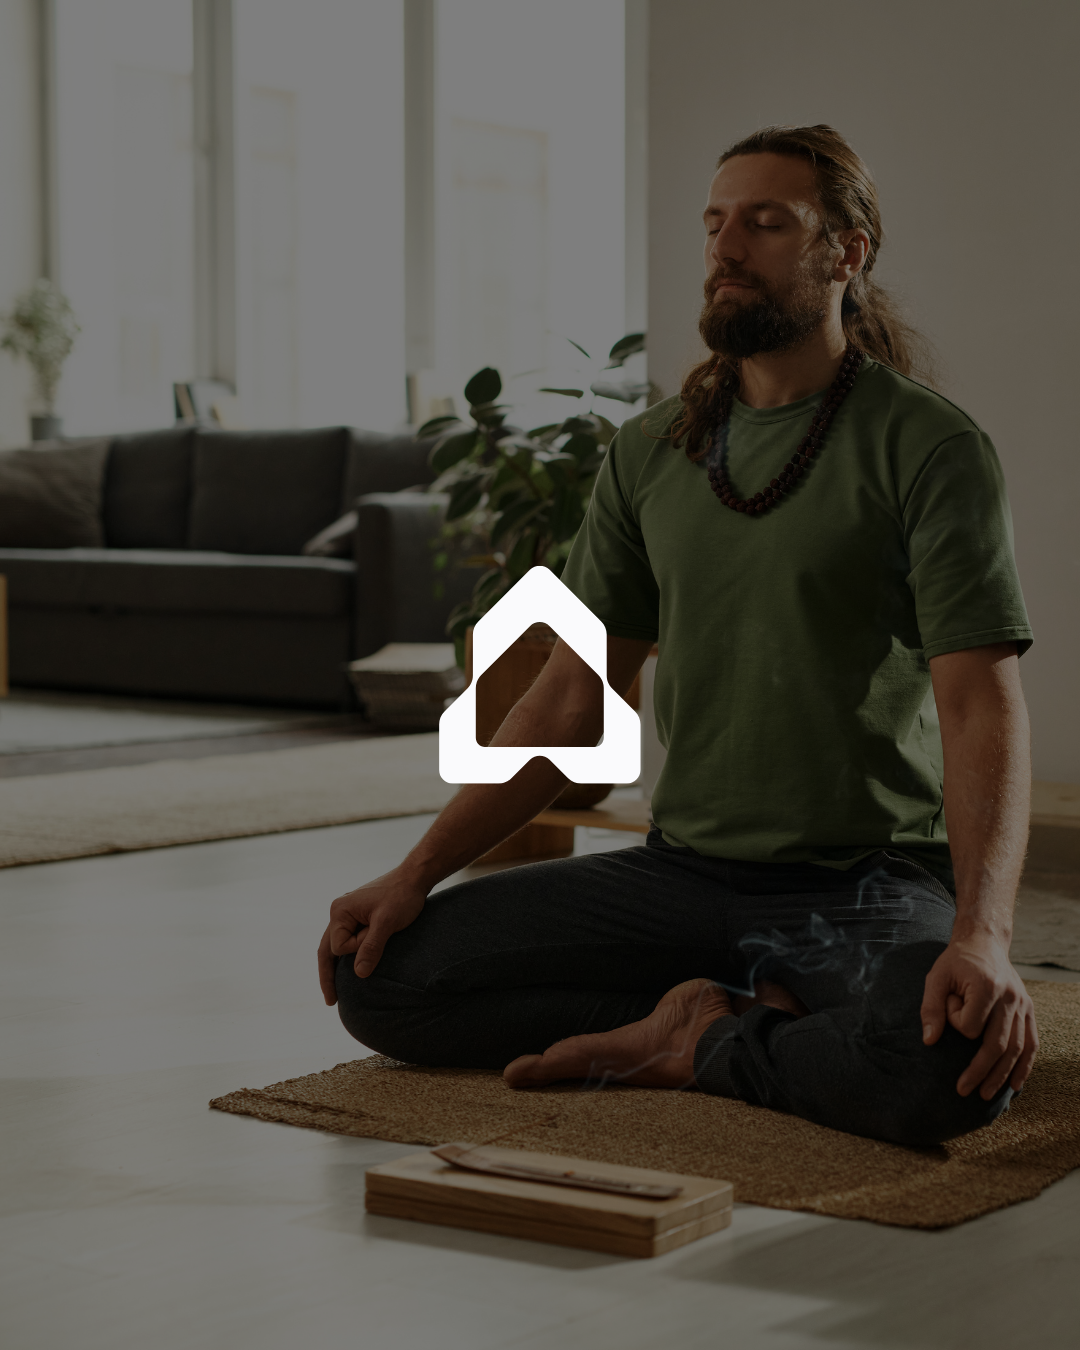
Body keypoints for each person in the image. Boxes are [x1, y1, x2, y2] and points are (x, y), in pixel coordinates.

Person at [318, 124, 1037, 1146]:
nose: (726, 246)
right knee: (378, 978)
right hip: (680, 875)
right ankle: (725, 1025)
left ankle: (701, 1042)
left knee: (954, 1058)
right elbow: (568, 703)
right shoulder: (649, 452)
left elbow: (979, 703)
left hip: (864, 880)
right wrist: (411, 874)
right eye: (714, 222)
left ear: (848, 251)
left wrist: (986, 937)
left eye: (766, 221)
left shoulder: (930, 447)